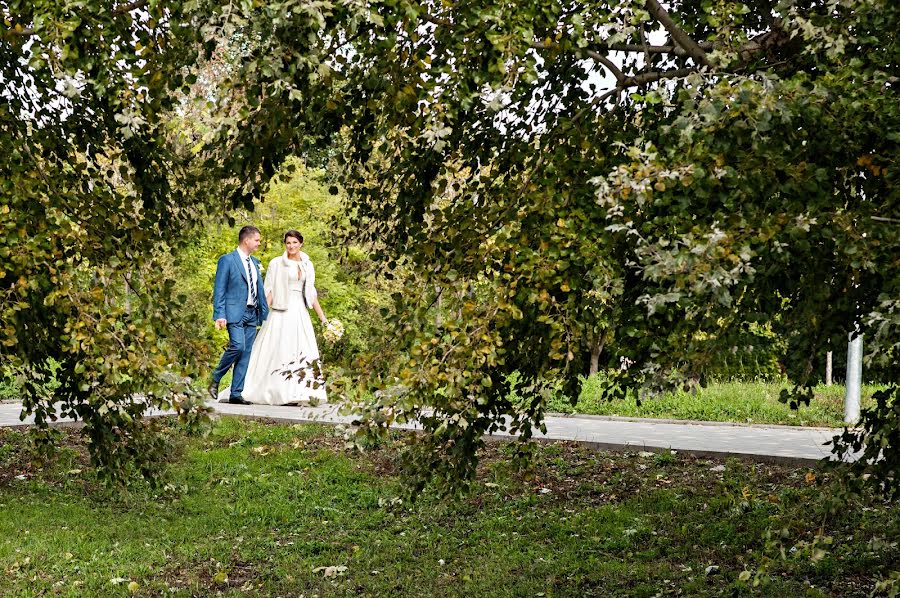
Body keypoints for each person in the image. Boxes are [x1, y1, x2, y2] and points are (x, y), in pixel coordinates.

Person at [225, 229, 329, 405]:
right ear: (285, 244)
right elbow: (269, 291)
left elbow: (311, 294)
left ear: (301, 244)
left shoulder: (307, 264)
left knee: (302, 350)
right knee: (280, 348)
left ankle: (301, 392)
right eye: (288, 243)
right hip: (281, 311)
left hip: (300, 312)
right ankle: (279, 392)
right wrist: (261, 316)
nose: (291, 246)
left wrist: (324, 320)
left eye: (295, 242)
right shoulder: (277, 263)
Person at [208, 226, 269, 404]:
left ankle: (236, 393)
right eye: (257, 240)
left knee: (245, 354)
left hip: (252, 312)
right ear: (247, 240)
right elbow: (219, 289)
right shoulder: (227, 260)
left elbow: (259, 290)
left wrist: (263, 312)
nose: (259, 243)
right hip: (234, 312)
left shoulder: (255, 262)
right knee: (238, 346)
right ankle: (215, 377)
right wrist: (219, 314)